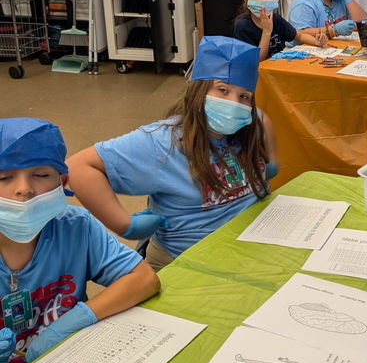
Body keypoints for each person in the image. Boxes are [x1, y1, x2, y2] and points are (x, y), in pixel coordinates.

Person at [67, 36, 277, 272]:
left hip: (248, 244)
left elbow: (263, 119)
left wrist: (269, 162)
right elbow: (77, 167)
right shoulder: (163, 142)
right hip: (188, 261)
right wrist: (124, 224)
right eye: (222, 90)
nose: (233, 103)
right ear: (199, 89)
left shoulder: (250, 125)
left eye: (244, 96)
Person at [0, 118, 158, 363]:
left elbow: (143, 279)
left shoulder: (76, 228)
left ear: (62, 182)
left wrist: (73, 322)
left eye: (40, 175)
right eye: (4, 177)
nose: (24, 189)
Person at [232, 0, 325, 60]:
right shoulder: (242, 26)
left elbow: (299, 36)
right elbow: (256, 61)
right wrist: (266, 32)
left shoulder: (276, 19)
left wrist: (316, 41)